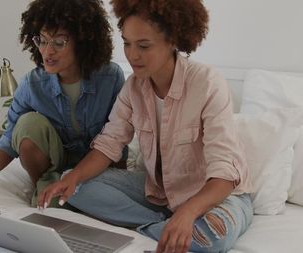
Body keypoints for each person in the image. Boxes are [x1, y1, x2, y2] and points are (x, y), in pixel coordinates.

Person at [38, 0, 253, 252]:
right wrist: (73, 178)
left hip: (218, 197)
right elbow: (109, 144)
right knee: (73, 186)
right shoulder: (133, 87)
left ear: (173, 40)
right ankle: (162, 225)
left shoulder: (207, 83)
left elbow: (225, 173)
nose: (132, 55)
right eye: (127, 43)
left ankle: (162, 225)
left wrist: (188, 212)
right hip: (160, 192)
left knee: (212, 241)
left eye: (143, 46)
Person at [0, 0, 125, 208]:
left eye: (58, 42)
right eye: (42, 40)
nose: (47, 52)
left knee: (95, 201)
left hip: (97, 167)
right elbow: (10, 139)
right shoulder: (32, 84)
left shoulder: (110, 78)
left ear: (83, 42)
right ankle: (45, 185)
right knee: (27, 124)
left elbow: (117, 140)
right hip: (56, 166)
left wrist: (118, 184)